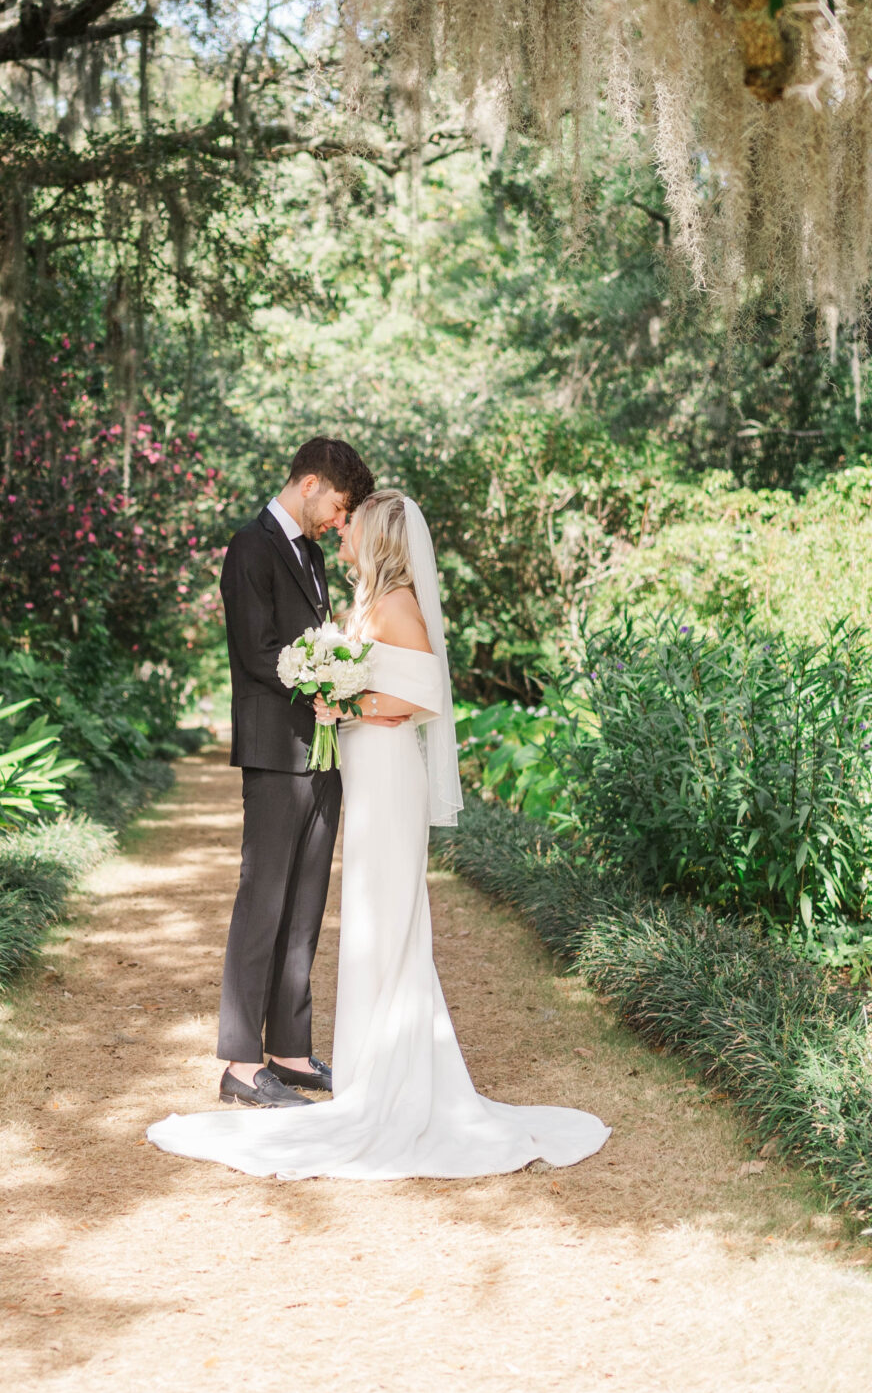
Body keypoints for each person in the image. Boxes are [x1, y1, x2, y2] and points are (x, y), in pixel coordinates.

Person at [150, 489, 612, 1178]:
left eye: (352, 527)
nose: (341, 533)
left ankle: (397, 1080)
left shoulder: (395, 602)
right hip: (366, 782)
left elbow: (427, 693)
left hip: (392, 780)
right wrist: (339, 690)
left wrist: (349, 700)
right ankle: (371, 1074)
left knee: (392, 921)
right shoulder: (366, 604)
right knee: (369, 920)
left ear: (379, 539)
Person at [205, 437, 374, 1109]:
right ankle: (242, 1064)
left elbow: (314, 640)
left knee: (305, 909)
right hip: (276, 753)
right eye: (336, 506)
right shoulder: (251, 546)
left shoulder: (306, 552)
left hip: (322, 751)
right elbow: (257, 652)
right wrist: (320, 685)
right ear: (309, 484)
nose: (338, 522)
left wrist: (338, 677)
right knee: (263, 903)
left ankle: (289, 1049)